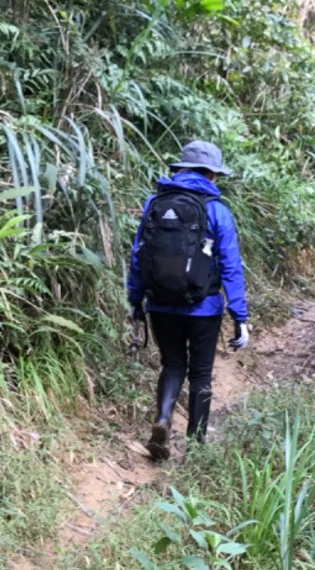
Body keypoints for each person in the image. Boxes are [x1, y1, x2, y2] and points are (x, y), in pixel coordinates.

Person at [126, 140, 249, 461]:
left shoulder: (153, 203)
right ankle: (195, 447)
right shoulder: (217, 211)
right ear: (212, 175)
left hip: (160, 304)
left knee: (172, 364)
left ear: (181, 169)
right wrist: (239, 316)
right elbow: (231, 265)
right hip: (204, 307)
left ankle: (163, 418)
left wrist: (135, 301)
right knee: (201, 373)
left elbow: (139, 256)